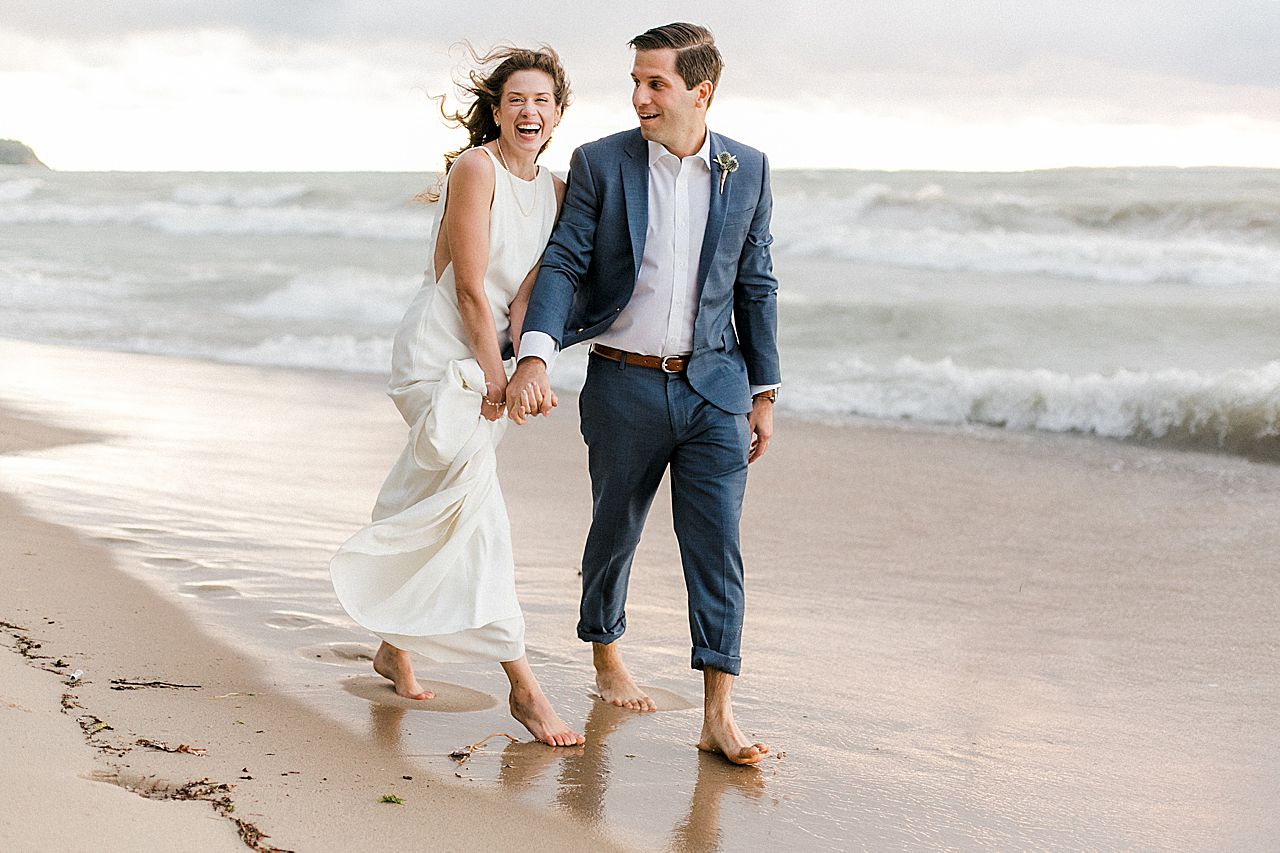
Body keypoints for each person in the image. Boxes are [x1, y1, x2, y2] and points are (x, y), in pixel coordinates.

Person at [507, 23, 780, 765]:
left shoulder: (746, 168)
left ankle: (718, 711)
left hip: (714, 390)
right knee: (614, 531)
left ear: (702, 91)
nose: (639, 97)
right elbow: (564, 261)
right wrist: (534, 353)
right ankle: (604, 651)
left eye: (655, 83)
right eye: (635, 81)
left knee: (717, 549)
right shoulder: (602, 162)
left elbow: (756, 282)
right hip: (622, 382)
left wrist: (764, 390)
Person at [330, 45, 583, 747]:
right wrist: (494, 376)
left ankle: (394, 646)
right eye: (515, 101)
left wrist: (529, 364)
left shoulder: (558, 190)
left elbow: (527, 292)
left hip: (490, 356)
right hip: (441, 352)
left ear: (559, 113)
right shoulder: (477, 169)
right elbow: (470, 286)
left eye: (541, 101)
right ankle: (525, 690)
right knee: (477, 506)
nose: (528, 112)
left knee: (436, 496)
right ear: (497, 112)